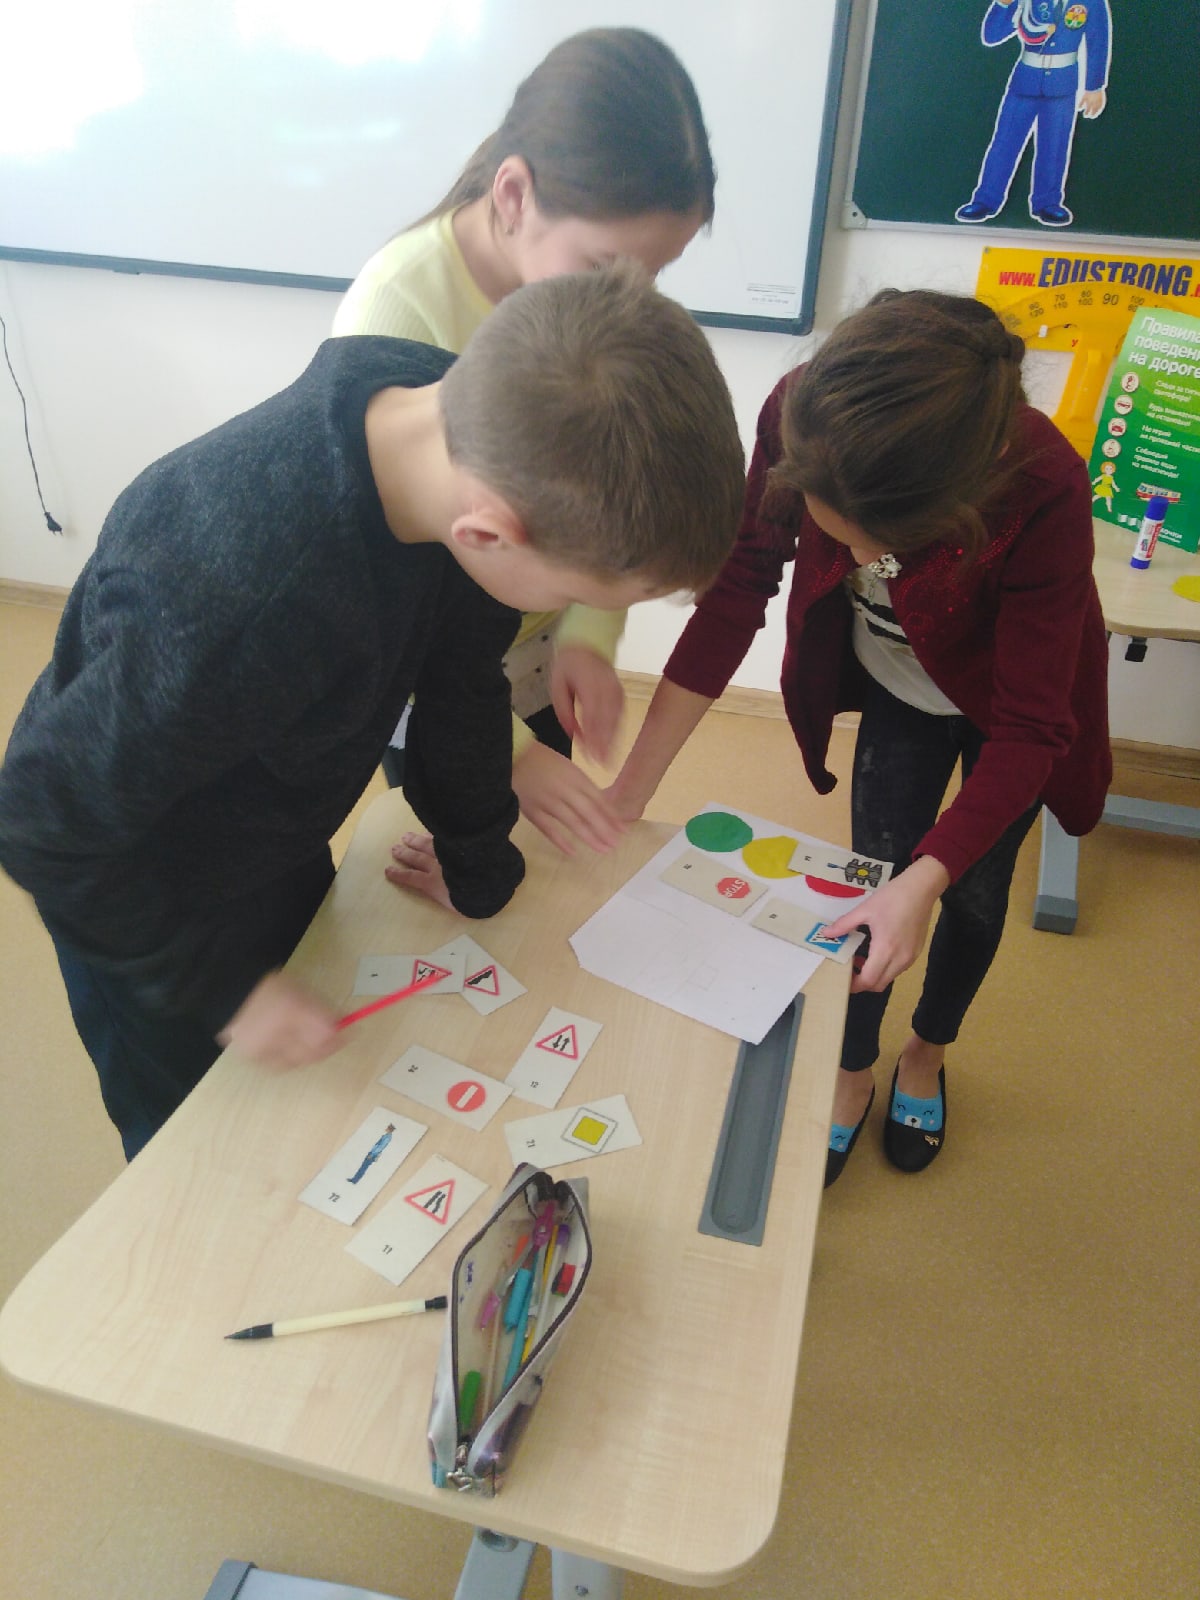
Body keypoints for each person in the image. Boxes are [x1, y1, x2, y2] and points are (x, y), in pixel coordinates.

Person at [0, 264, 745, 1161]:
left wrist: (476, 863)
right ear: (489, 534)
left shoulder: (455, 429)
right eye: (577, 593)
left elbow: (462, 679)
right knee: (198, 1145)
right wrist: (222, 988)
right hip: (141, 886)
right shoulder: (237, 600)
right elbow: (43, 821)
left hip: (268, 818)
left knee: (307, 1102)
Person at [609, 289, 1111, 1186]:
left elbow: (1033, 727)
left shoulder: (1044, 483)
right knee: (869, 887)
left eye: (867, 547)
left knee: (971, 897)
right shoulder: (804, 418)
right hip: (898, 690)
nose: (851, 562)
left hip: (1007, 706)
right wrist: (628, 791)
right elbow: (737, 590)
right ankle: (851, 1067)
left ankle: (928, 1051)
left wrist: (931, 876)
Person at [333, 27, 715, 856]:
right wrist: (503, 749)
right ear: (513, 196)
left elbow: (612, 487)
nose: (632, 295)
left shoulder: (582, 305)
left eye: (655, 273)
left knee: (525, 863)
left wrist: (587, 634)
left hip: (528, 645)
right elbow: (381, 603)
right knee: (449, 856)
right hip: (429, 682)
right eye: (607, 264)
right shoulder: (396, 314)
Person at [954, 0, 1112, 229]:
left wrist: (1094, 86)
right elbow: (991, 36)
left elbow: (1098, 40)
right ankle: (985, 199)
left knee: (1055, 146)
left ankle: (1047, 202)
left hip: (1062, 83)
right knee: (1005, 142)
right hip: (1025, 80)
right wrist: (1003, 4)